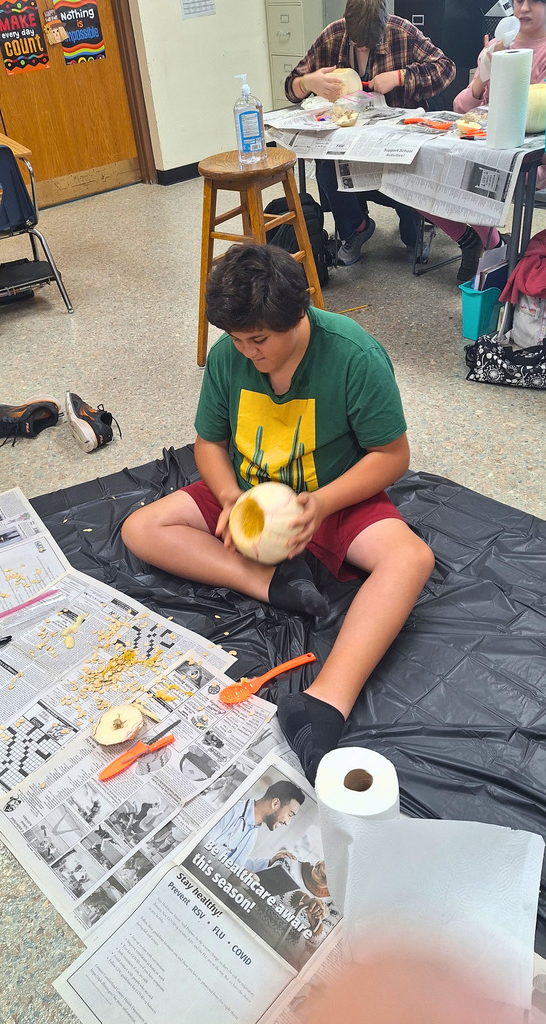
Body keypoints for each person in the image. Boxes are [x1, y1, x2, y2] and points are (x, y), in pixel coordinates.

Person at [121, 243, 434, 783]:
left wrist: (323, 504)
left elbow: (392, 456)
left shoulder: (352, 354)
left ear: (299, 315)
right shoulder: (229, 356)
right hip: (249, 494)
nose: (248, 353)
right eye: (238, 340)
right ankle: (270, 584)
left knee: (410, 560)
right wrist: (227, 497)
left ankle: (323, 703)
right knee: (141, 527)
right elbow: (209, 443)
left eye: (259, 340)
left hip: (332, 496)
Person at [284, 0, 456, 265]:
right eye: (357, 44)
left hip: (396, 145)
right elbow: (290, 88)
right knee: (327, 170)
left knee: (411, 230)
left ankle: (416, 230)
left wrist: (400, 77)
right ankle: (357, 227)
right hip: (349, 142)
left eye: (370, 44)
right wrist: (308, 81)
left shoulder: (403, 32)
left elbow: (446, 68)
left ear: (384, 24)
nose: (363, 49)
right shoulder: (333, 35)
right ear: (346, 24)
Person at [424, 0, 546, 283]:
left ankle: (492, 244)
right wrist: (484, 75)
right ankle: (478, 240)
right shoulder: (497, 47)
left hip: (526, 160)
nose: (523, 9)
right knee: (418, 169)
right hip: (481, 147)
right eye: (518, 1)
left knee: (470, 174)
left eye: (534, 2)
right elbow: (461, 106)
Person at [204, 780, 305, 870]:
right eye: (290, 814)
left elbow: (238, 862)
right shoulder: (233, 810)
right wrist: (232, 874)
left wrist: (270, 862)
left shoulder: (253, 831)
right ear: (275, 804)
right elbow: (201, 846)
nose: (288, 823)